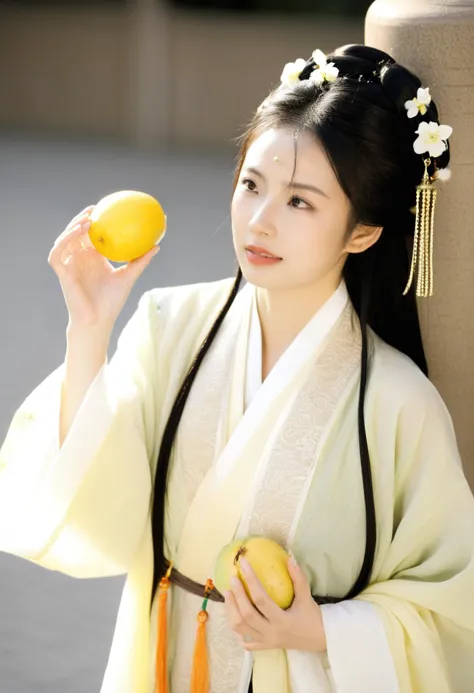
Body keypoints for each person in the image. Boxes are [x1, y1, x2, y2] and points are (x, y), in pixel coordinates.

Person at [0, 43, 473, 693]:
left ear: (363, 231)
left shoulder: (396, 400)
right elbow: (99, 508)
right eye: (251, 185)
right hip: (165, 661)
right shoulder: (170, 328)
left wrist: (320, 630)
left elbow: (451, 606)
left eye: (299, 202)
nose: (259, 221)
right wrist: (88, 329)